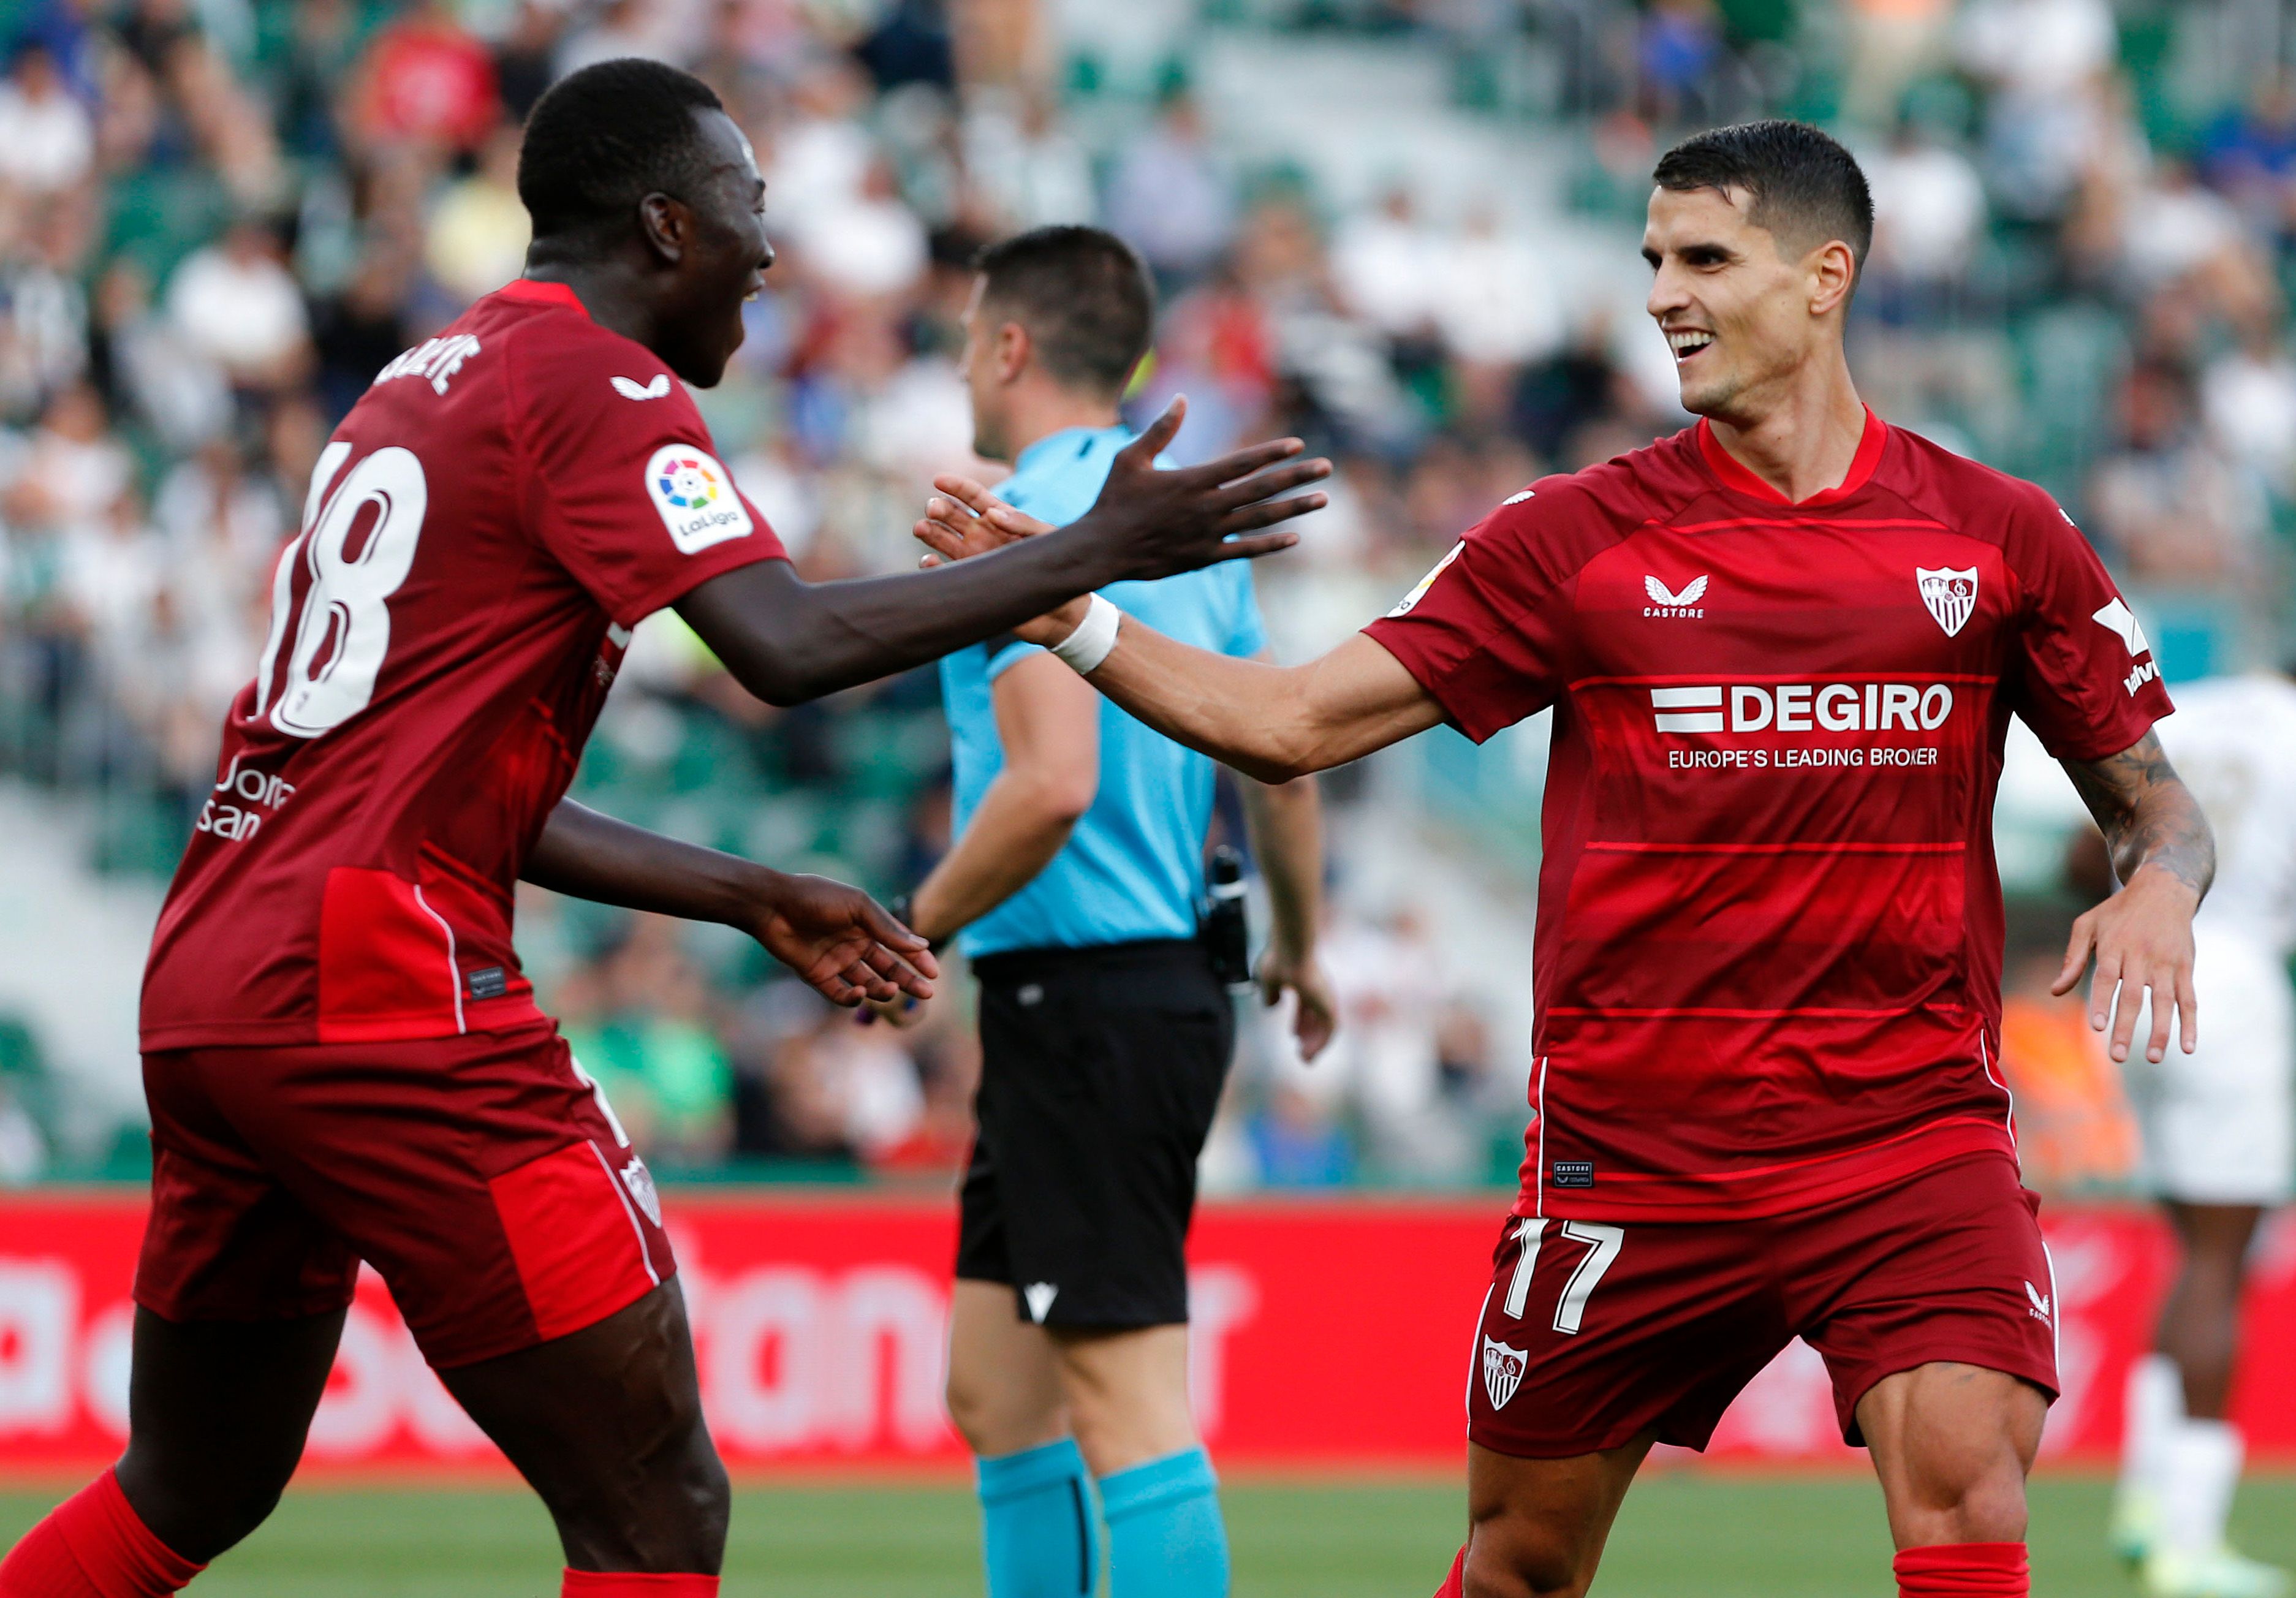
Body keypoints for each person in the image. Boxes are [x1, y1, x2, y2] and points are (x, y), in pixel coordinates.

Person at [0, 59, 1326, 1598]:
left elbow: (429, 776)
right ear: (665, 226)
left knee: (190, 1481)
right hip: (378, 982)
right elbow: (783, 644)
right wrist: (1085, 552)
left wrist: (751, 889)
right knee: (659, 1510)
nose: (771, 247)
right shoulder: (594, 379)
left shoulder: (417, 382)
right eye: (747, 205)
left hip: (222, 969)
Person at [913, 119, 2212, 1598]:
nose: (1662, 292)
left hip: (1905, 1135)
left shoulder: (1997, 537)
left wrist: (2158, 883)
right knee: (1521, 1556)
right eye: (1651, 258)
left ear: (1823, 277)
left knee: (1970, 1483)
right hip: (1634, 1156)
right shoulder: (1573, 540)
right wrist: (1063, 616)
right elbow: (1281, 726)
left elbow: (2152, 799)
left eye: (1704, 258)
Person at [874, 224, 1335, 1598]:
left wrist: (910, 924)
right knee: (995, 1392)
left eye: (967, 333)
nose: (963, 358)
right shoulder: (1181, 525)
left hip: (1087, 1004)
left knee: (1122, 1406)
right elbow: (1279, 758)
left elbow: (1047, 786)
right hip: (1133, 993)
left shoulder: (1013, 520)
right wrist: (1299, 948)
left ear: (1009, 346)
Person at [2101, 669, 2296, 1598]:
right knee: (2224, 1258)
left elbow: (2077, 839)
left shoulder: (2192, 705)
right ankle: (2189, 1537)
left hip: (2135, 961)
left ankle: (2145, 1499)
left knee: (2188, 1250)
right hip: (2235, 978)